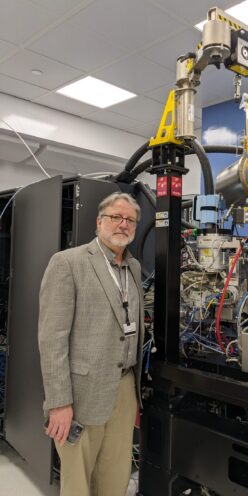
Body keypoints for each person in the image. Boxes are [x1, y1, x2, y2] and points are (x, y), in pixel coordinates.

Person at [38, 191, 144, 496]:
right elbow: (52, 339)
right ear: (99, 222)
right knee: (78, 483)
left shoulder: (134, 268)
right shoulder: (68, 263)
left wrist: (135, 395)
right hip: (81, 394)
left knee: (115, 477)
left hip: (124, 389)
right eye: (116, 217)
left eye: (130, 220)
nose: (123, 224)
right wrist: (59, 403)